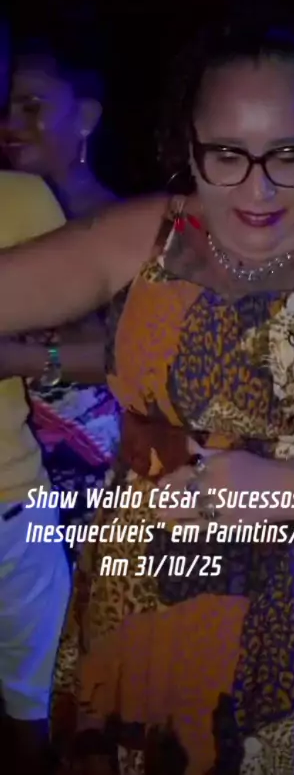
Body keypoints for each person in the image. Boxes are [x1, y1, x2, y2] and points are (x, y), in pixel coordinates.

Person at [0, 21, 294, 775]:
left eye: (289, 154)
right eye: (227, 155)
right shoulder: (147, 234)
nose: (259, 188)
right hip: (141, 591)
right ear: (191, 149)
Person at [1, 39, 120, 550]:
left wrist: (28, 360)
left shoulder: (128, 229)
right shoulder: (11, 216)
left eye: (32, 107)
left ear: (86, 116)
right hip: (20, 490)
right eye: (5, 108)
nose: (11, 124)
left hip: (104, 482)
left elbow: (145, 358)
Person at [0, 170, 71, 775]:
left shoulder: (22, 198)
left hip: (16, 502)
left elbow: (97, 342)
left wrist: (25, 355)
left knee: (38, 710)